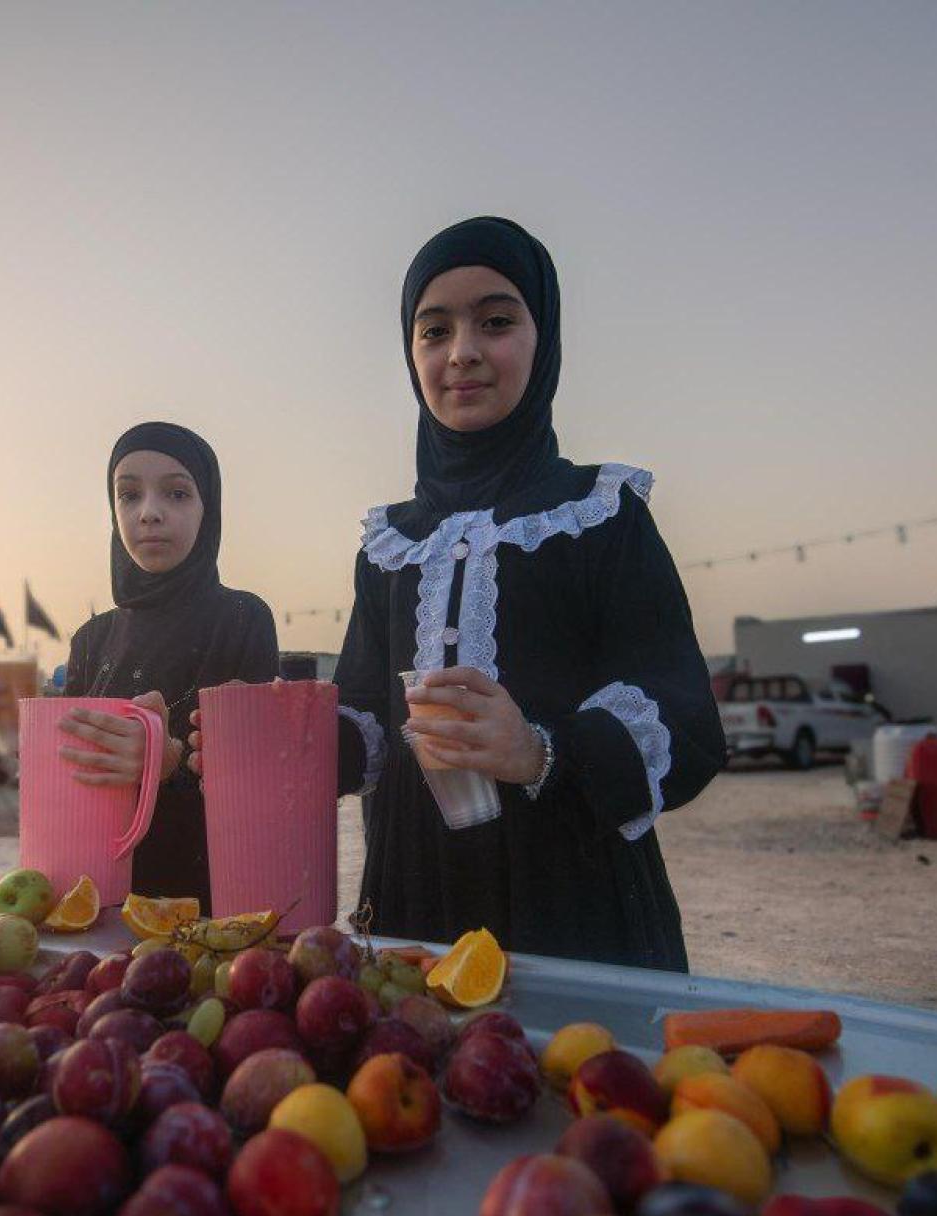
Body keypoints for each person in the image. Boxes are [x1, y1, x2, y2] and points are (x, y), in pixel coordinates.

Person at [204, 217, 723, 970]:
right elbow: (369, 722)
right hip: (419, 907)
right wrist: (279, 738)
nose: (462, 352)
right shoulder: (390, 543)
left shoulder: (600, 516)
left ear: (543, 342)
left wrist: (539, 750)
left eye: (496, 321)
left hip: (577, 908)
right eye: (434, 330)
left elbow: (685, 720)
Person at [47, 422, 279, 909]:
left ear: (208, 509)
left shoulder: (241, 618)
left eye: (176, 493)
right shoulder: (91, 640)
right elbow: (72, 786)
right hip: (100, 900)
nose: (149, 513)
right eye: (129, 495)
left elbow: (259, 789)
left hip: (210, 905)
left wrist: (166, 762)